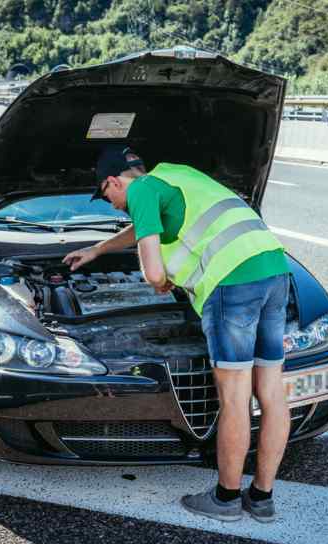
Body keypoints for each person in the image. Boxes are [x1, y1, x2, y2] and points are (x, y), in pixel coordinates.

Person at [63, 144, 291, 523]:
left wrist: (163, 278)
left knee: (234, 398)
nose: (112, 206)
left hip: (231, 283)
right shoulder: (176, 172)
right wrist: (98, 249)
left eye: (107, 197)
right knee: (270, 391)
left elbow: (153, 273)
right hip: (273, 268)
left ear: (113, 181)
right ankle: (262, 498)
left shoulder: (139, 191)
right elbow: (146, 226)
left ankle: (226, 499)